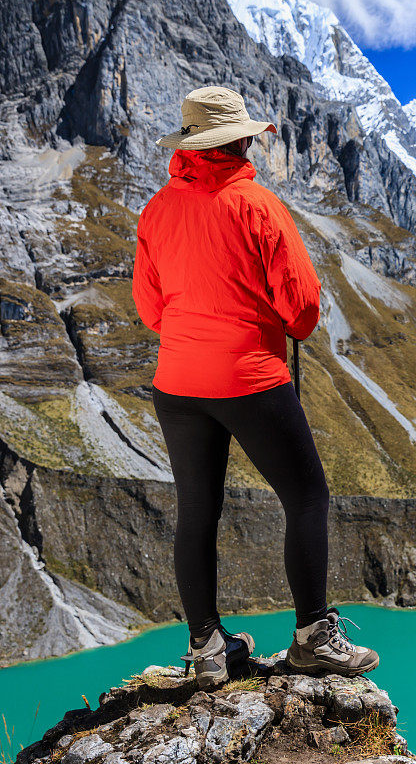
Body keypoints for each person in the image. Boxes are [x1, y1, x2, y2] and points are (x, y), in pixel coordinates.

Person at [132, 85, 379, 689]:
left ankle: (207, 649)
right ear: (241, 139)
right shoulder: (258, 206)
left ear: (191, 143)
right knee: (306, 498)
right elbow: (302, 310)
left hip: (177, 383)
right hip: (249, 378)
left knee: (197, 511)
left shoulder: (156, 210)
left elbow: (149, 308)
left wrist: (195, 334)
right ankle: (313, 638)